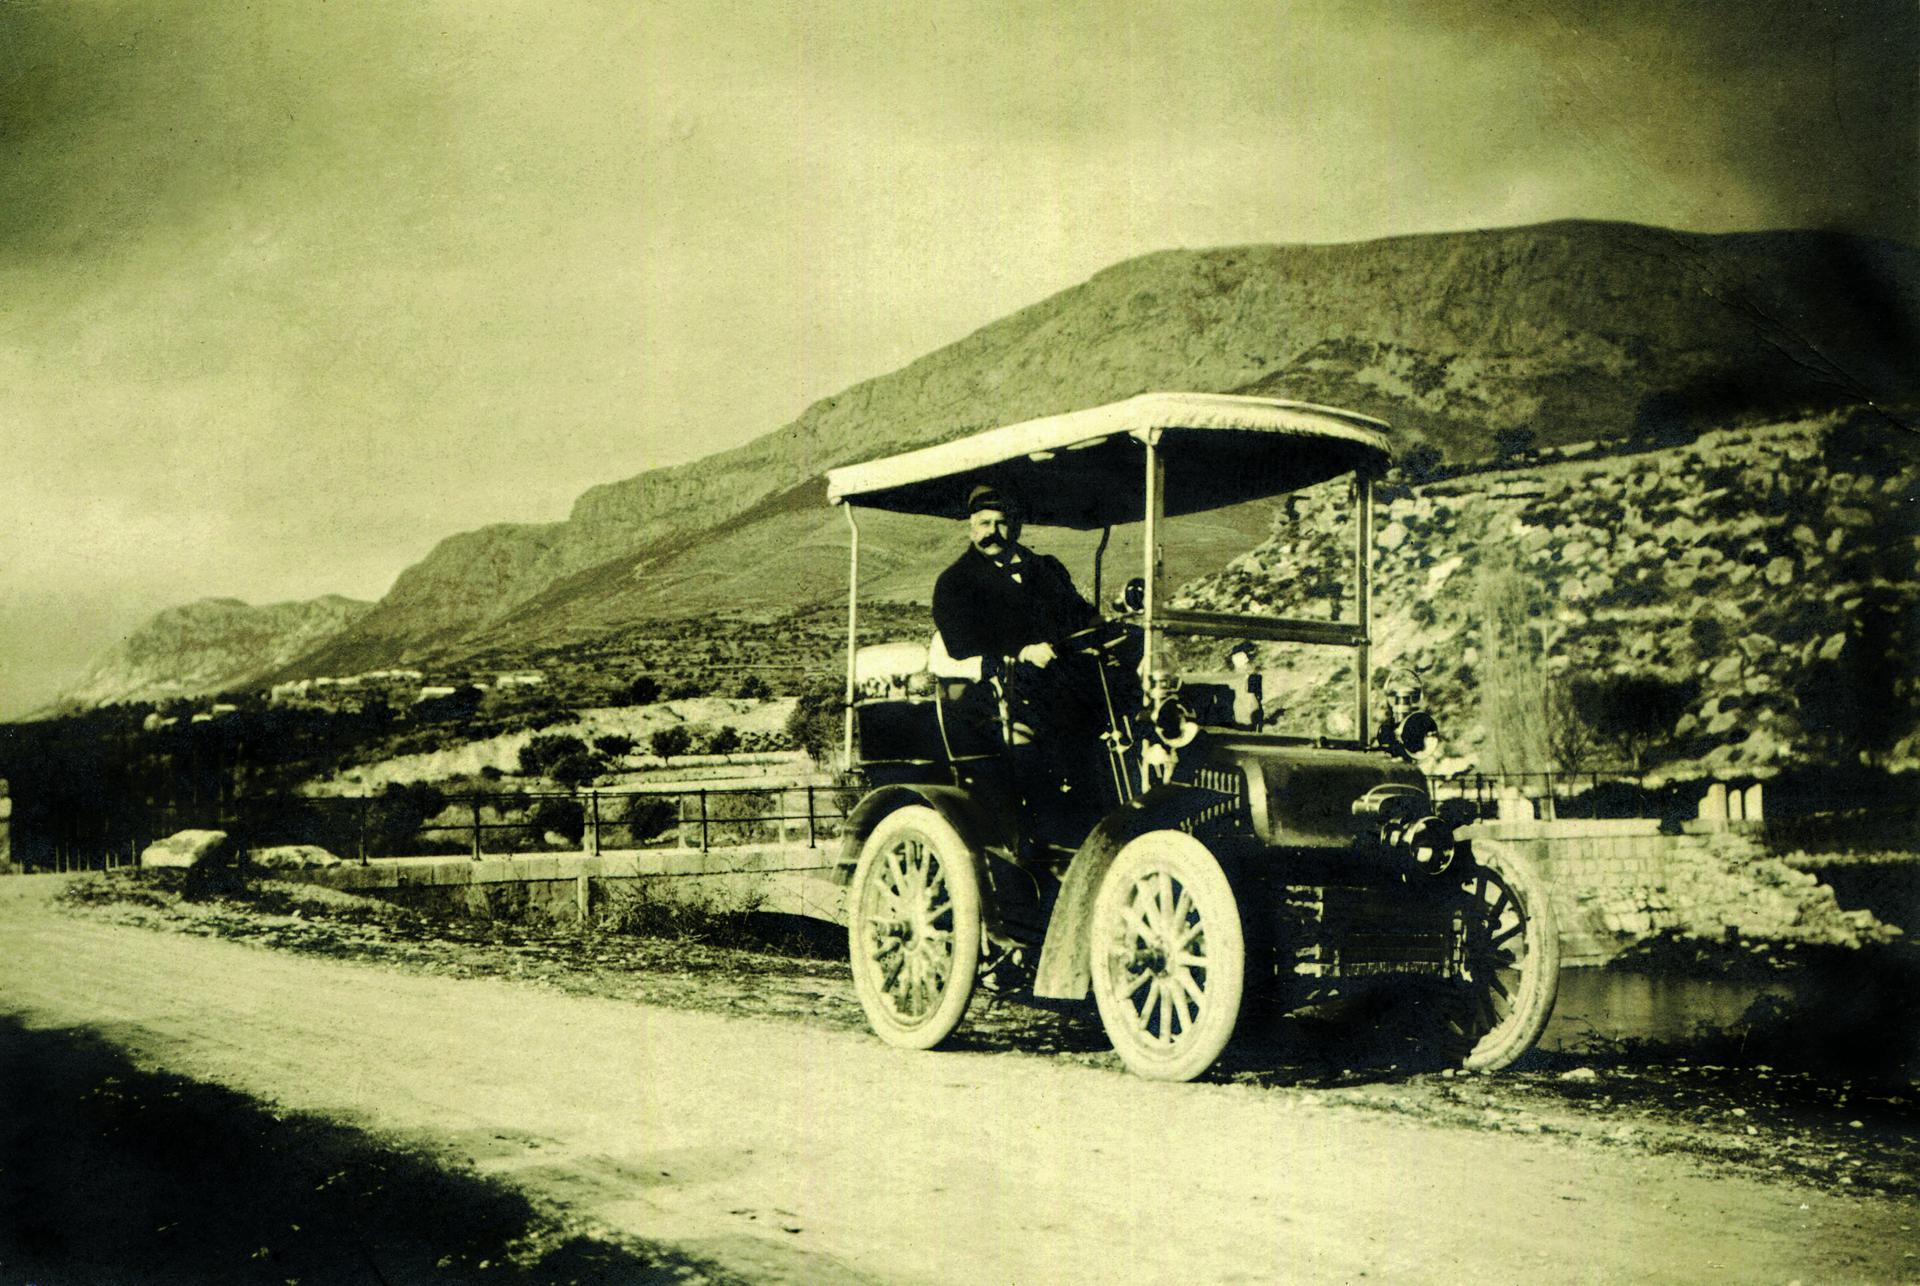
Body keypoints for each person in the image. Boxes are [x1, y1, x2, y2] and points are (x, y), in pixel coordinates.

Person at [932, 483, 1097, 752]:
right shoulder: (954, 583)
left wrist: (1097, 625)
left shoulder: (1048, 569)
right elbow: (961, 644)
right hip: (1003, 692)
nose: (992, 532)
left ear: (1016, 526)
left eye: (1001, 523)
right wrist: (1022, 651)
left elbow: (1079, 614)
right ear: (971, 528)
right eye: (985, 523)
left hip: (1069, 677)